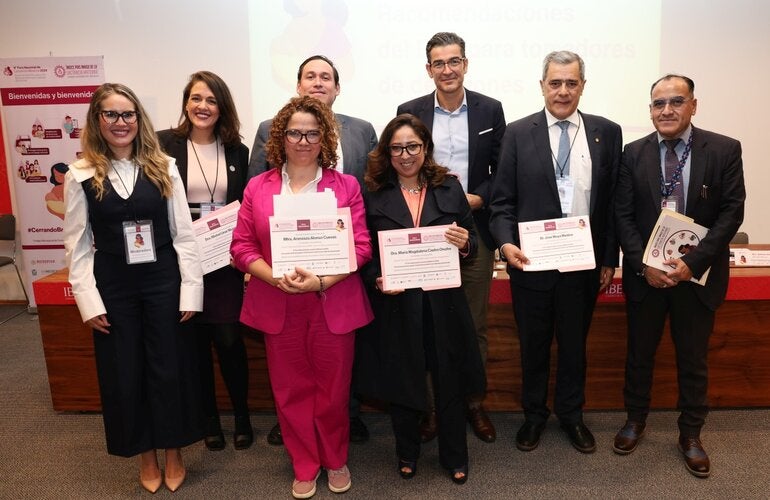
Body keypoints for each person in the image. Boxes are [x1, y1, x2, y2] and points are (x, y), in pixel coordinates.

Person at [62, 83, 204, 493]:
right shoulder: (80, 174)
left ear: (138, 120)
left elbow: (184, 235)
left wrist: (190, 291)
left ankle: (173, 450)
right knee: (125, 370)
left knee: (169, 366)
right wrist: (88, 302)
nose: (120, 123)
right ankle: (145, 454)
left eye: (128, 115)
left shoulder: (164, 165)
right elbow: (78, 243)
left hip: (162, 278)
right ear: (97, 120)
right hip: (114, 284)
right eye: (111, 115)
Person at [231, 96, 373, 499]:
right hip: (279, 302)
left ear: (324, 137)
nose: (304, 140)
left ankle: (335, 457)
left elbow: (361, 247)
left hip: (332, 299)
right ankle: (305, 463)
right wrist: (274, 279)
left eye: (312, 132)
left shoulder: (345, 185)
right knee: (290, 390)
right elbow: (241, 248)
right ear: (281, 136)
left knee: (333, 389)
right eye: (295, 132)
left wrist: (322, 281)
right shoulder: (259, 187)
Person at [612, 74, 745, 478]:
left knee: (693, 360)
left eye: (675, 102)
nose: (666, 110)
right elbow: (622, 214)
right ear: (650, 109)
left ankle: (690, 434)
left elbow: (731, 212)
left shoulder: (723, 149)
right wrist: (642, 264)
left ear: (693, 105)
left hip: (696, 278)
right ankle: (635, 420)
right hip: (646, 278)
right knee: (639, 356)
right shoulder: (632, 153)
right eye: (658, 103)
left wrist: (695, 262)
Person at [489, 51, 622, 454]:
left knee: (574, 346)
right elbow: (501, 202)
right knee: (533, 345)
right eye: (555, 83)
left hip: (583, 266)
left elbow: (613, 201)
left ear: (582, 85)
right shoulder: (516, 133)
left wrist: (609, 258)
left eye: (571, 83)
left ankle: (571, 415)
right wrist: (505, 242)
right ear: (542, 85)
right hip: (531, 264)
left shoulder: (607, 132)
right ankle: (533, 416)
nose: (563, 91)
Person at [249, 54, 377, 446]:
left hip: (339, 273)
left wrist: (330, 271)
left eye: (327, 77)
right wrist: (272, 269)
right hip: (281, 275)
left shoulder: (361, 131)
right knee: (292, 376)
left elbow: (371, 195)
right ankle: (298, 433)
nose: (318, 82)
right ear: (299, 86)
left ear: (337, 87)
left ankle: (343, 420)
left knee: (337, 369)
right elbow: (256, 199)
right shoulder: (268, 133)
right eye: (310, 76)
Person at [356, 113, 485, 485]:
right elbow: (364, 251)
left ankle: (454, 455)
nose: (405, 154)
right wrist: (376, 280)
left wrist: (465, 244)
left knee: (449, 380)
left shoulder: (448, 188)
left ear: (425, 148)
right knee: (403, 380)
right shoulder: (374, 192)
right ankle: (407, 451)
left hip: (443, 303)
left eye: (412, 146)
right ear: (386, 152)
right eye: (396, 148)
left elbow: (472, 241)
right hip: (397, 304)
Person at [396, 31, 505, 444]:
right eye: (439, 63)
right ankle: (431, 409)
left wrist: (478, 198)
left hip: (472, 226)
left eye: (454, 61)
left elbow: (502, 172)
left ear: (465, 63)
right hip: (423, 229)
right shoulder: (411, 110)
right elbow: (401, 165)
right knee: (426, 322)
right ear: (429, 69)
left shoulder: (490, 110)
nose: (447, 69)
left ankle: (473, 403)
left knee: (473, 323)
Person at [157, 70, 253, 452]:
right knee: (194, 342)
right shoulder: (165, 144)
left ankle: (242, 415)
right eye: (196, 98)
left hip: (223, 257)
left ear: (222, 107)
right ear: (186, 103)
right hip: (183, 256)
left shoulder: (237, 150)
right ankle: (208, 418)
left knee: (229, 339)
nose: (203, 106)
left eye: (211, 100)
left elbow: (243, 204)